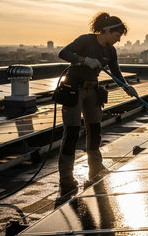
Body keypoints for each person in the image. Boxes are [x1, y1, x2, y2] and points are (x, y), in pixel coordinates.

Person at [57, 12, 138, 195]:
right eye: (116, 36)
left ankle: (96, 169)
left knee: (95, 130)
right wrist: (84, 60)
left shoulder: (110, 51)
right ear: (107, 31)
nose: (118, 40)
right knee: (71, 132)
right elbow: (63, 53)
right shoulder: (86, 40)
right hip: (74, 90)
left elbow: (116, 72)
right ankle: (66, 178)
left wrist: (127, 87)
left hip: (93, 90)